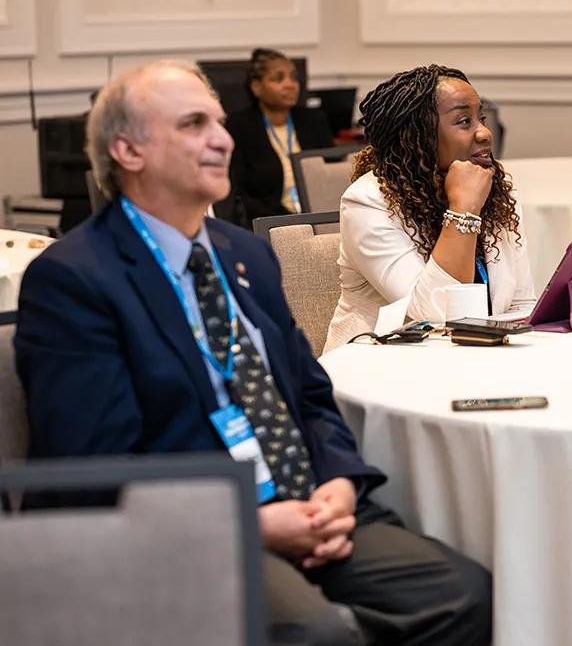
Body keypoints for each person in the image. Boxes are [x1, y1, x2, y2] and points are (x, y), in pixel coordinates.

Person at [14, 60, 491, 646]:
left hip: (306, 499)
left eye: (218, 120)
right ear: (127, 151)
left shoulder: (242, 254)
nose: (222, 137)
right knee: (316, 632)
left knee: (463, 593)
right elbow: (89, 467)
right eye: (193, 124)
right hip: (188, 531)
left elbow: (311, 393)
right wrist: (252, 522)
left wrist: (338, 482)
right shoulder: (75, 279)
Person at [323, 64, 535, 351]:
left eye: (481, 118)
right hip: (383, 363)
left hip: (477, 360)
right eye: (464, 121)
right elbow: (433, 315)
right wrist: (464, 209)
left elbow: (521, 301)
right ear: (417, 136)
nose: (484, 133)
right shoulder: (367, 202)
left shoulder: (497, 188)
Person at [220, 48, 333, 227]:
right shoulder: (239, 126)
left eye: (293, 77)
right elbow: (237, 192)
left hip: (317, 217)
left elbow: (331, 175)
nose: (290, 85)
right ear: (256, 87)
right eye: (278, 79)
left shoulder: (313, 120)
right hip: (268, 224)